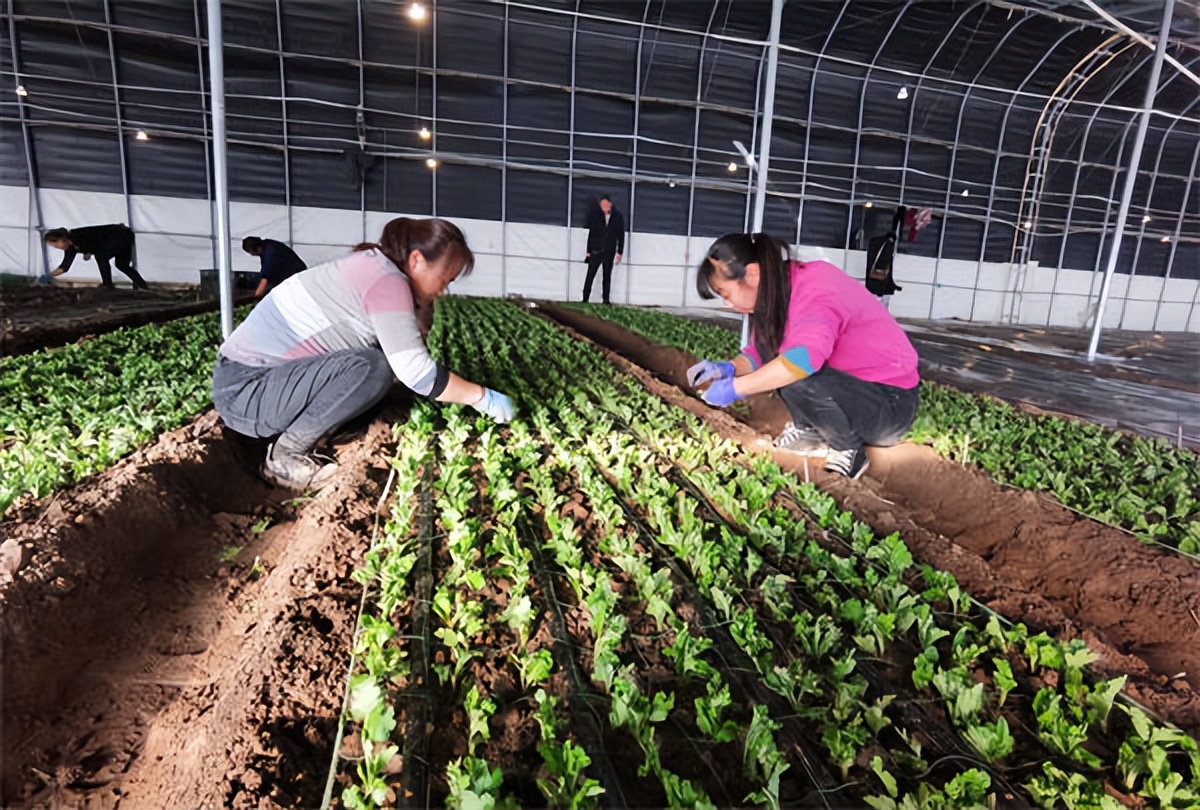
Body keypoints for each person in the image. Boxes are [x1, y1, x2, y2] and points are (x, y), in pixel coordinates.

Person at [212, 217, 515, 490]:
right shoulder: (386, 280)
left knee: (379, 373)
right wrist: (481, 397)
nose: (442, 290)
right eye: (445, 280)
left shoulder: (375, 266)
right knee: (374, 367)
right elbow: (417, 373)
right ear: (418, 260)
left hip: (254, 384)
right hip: (247, 390)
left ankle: (321, 432)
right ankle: (285, 456)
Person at [688, 232, 920, 480]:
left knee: (795, 371)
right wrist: (728, 369)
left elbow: (803, 360)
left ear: (753, 274)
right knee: (782, 366)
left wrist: (738, 387)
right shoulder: (773, 294)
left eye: (725, 294)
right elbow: (761, 353)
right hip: (853, 393)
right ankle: (809, 431)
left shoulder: (816, 286)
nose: (728, 304)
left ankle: (847, 449)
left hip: (890, 406)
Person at [42, 224, 148, 289]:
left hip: (120, 235)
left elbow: (98, 244)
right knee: (121, 265)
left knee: (101, 257)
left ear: (62, 239)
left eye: (56, 245)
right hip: (116, 239)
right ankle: (143, 286)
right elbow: (64, 267)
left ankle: (108, 285)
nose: (57, 248)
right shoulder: (71, 247)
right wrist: (49, 275)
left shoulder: (78, 236)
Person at [583, 195, 625, 304]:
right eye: (602, 205)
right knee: (590, 274)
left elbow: (621, 235)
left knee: (607, 276)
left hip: (609, 250)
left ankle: (606, 299)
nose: (603, 207)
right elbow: (592, 233)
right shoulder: (596, 215)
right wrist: (588, 251)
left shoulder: (617, 216)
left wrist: (620, 251)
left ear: (610, 204)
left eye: (605, 205)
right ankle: (585, 298)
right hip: (596, 249)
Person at [242, 235, 308, 296]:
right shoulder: (268, 245)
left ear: (257, 249)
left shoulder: (270, 254)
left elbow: (265, 279)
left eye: (251, 252)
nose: (251, 255)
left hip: (296, 277)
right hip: (291, 275)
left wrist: (256, 296)